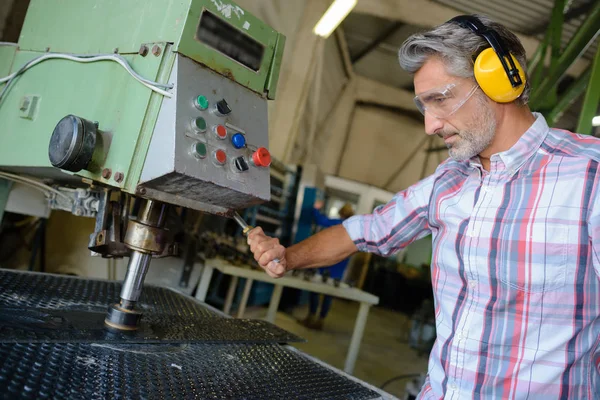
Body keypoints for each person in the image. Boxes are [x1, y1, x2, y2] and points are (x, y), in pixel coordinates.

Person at [248, 14, 600, 399]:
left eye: (440, 100)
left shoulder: (589, 176)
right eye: (424, 106)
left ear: (498, 81)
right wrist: (289, 256)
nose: (430, 125)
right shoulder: (447, 181)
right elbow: (365, 230)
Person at [301, 200, 354, 330]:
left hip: (327, 261)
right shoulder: (352, 228)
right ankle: (321, 321)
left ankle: (311, 317)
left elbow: (321, 220)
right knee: (329, 294)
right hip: (340, 266)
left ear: (341, 213)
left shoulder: (337, 223)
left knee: (316, 289)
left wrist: (315, 208)